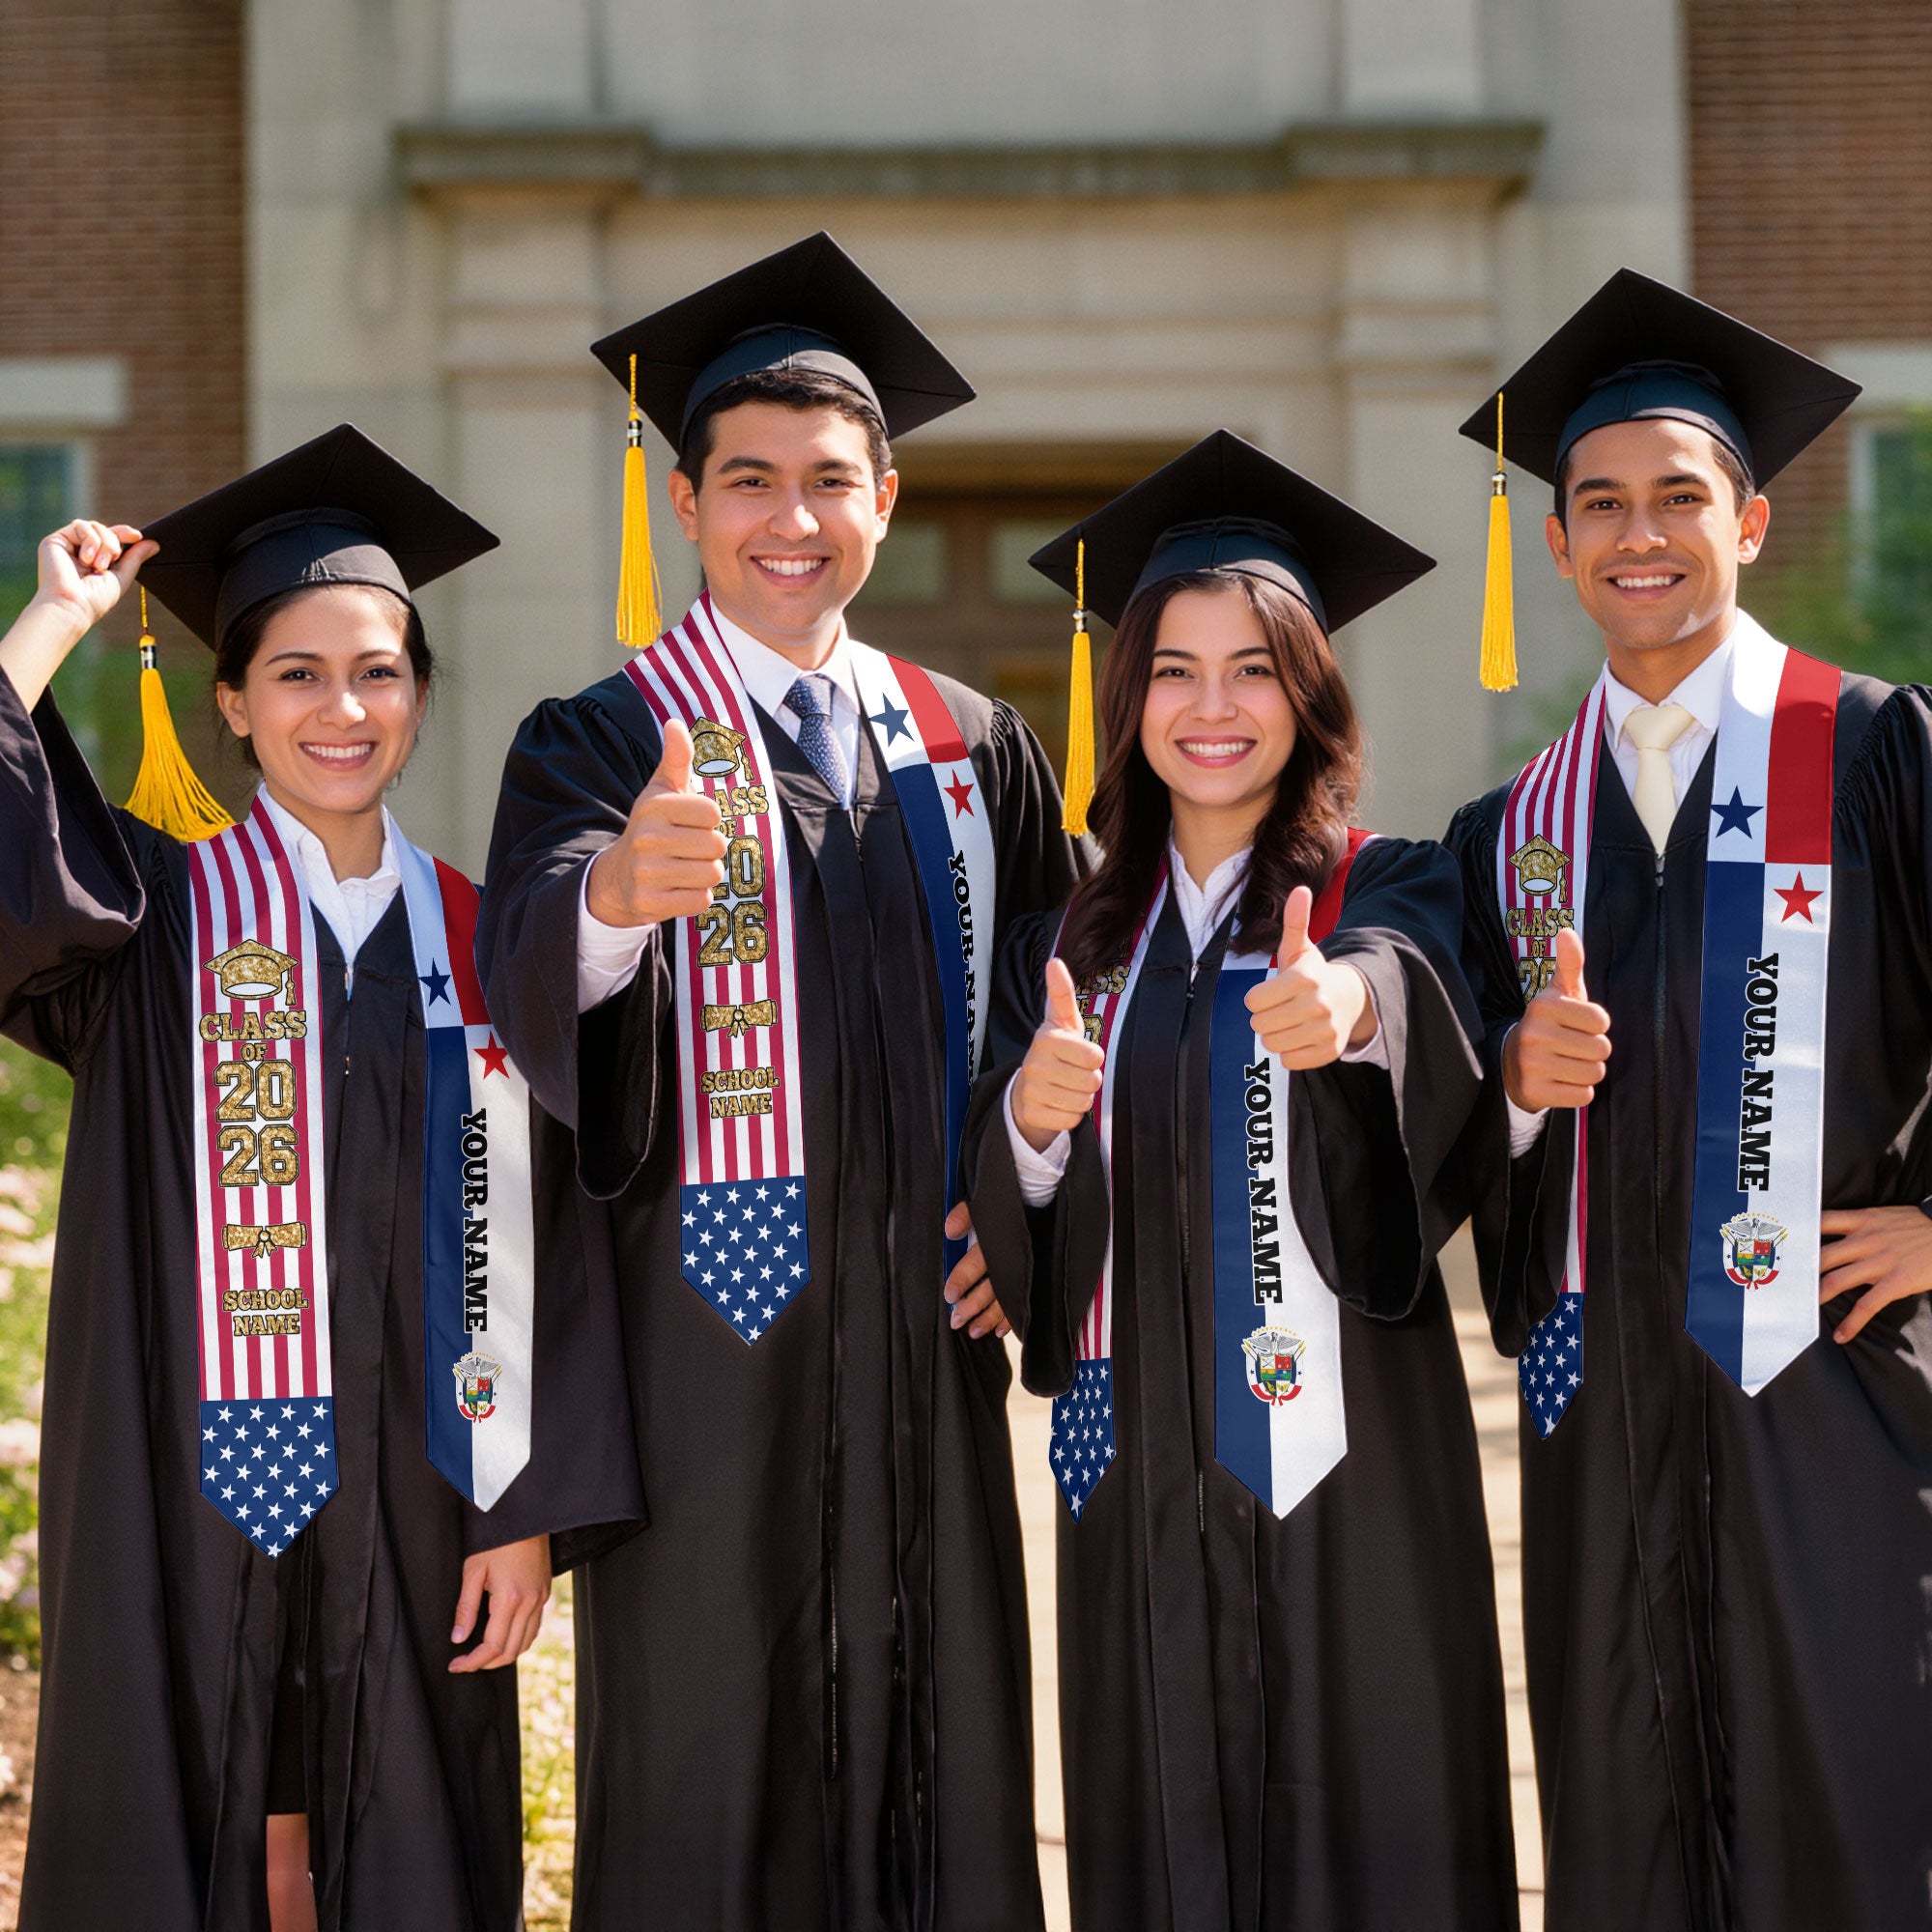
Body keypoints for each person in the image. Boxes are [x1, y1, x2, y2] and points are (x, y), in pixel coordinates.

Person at [477, 233, 1083, 1931]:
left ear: (886, 498)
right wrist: (613, 899)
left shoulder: (971, 746)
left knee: (942, 1752)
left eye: (829, 480)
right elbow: (529, 969)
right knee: (710, 1765)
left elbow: (1064, 1004)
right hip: (705, 1365)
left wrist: (1024, 1204)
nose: (790, 518)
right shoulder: (602, 739)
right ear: (686, 504)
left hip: (926, 1356)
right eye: (748, 481)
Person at [0, 425, 641, 1932]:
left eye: (378, 672)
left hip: (428, 1488)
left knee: (406, 1830)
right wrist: (53, 622)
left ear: (418, 694)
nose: (341, 709)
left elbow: (562, 1240)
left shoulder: (493, 938)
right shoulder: (151, 920)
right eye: (296, 673)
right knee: (192, 1804)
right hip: (182, 1479)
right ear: (231, 701)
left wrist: (524, 1507)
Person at [963, 431, 1519, 1931]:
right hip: (1133, 1464)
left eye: (1254, 670)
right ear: (1127, 698)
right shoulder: (1070, 942)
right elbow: (1012, 1197)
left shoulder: (1385, 882)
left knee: (1373, 1825)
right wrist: (1029, 1123)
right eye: (1175, 671)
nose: (1213, 708)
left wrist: (1350, 1009)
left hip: (1350, 1465)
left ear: (1310, 692)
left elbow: (1410, 986)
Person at [1445, 270, 1932, 1931]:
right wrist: (1513, 1090)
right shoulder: (1512, 833)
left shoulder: (1877, 754)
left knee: (1854, 1812)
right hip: (1604, 1418)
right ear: (1557, 542)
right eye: (1599, 504)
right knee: (1627, 1822)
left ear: (1753, 522)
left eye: (1678, 497)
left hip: (1836, 1393)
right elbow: (1448, 1133)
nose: (1638, 534)